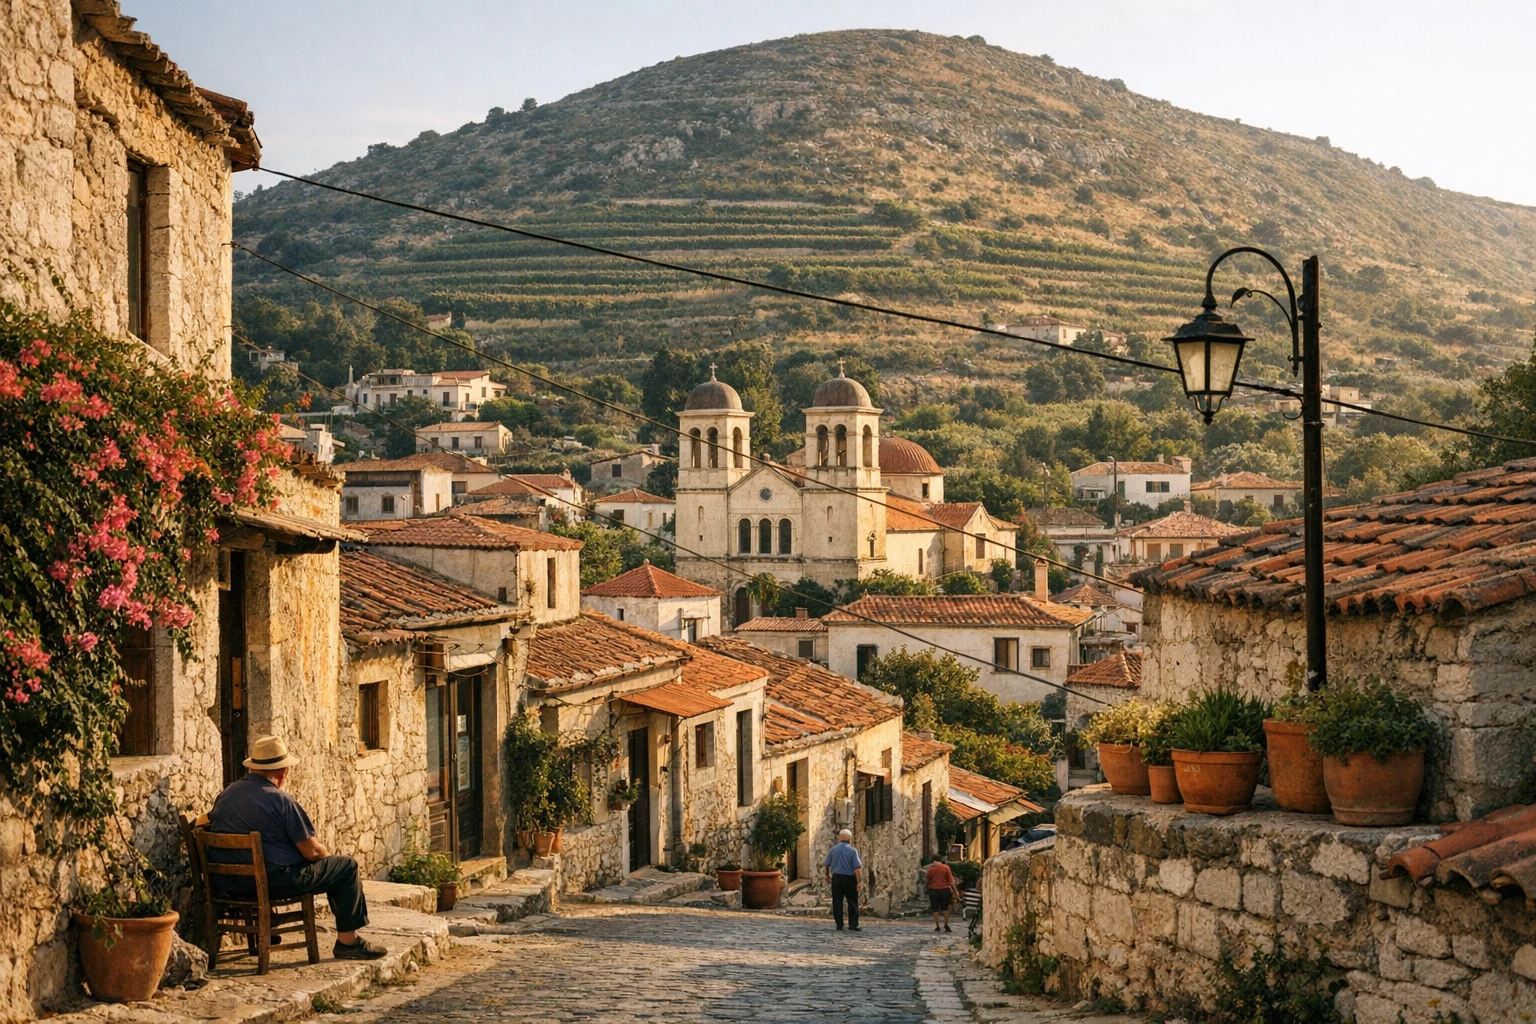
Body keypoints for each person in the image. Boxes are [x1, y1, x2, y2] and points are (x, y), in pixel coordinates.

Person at [207, 735, 387, 960]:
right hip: (272, 883)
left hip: (228, 882)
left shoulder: (227, 794)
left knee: (270, 858)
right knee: (345, 867)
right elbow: (311, 851)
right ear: (283, 773)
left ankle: (268, 927)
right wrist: (325, 856)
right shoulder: (281, 801)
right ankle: (348, 942)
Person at [822, 829, 863, 932]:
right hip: (849, 878)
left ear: (839, 838)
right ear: (850, 839)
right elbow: (857, 868)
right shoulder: (853, 851)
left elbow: (826, 864)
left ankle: (839, 925)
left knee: (837, 902)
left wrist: (827, 876)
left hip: (836, 878)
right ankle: (853, 924)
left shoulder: (833, 850)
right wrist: (859, 881)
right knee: (852, 901)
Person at [924, 854, 960, 932]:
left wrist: (925, 888)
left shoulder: (931, 869)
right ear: (941, 860)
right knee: (945, 908)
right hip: (945, 890)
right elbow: (951, 881)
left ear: (933, 861)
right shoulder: (946, 867)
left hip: (933, 890)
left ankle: (937, 926)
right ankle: (946, 924)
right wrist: (955, 892)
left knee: (935, 909)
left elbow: (928, 881)